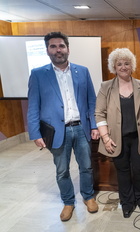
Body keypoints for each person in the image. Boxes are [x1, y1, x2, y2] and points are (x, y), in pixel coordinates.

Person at [27, 32, 99, 222]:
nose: (58, 50)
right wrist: (35, 133)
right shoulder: (38, 74)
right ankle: (68, 202)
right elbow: (33, 105)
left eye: (61, 46)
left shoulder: (82, 71)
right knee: (62, 170)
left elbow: (92, 101)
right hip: (57, 132)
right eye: (53, 46)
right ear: (47, 50)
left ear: (68, 48)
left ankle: (88, 196)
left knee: (86, 167)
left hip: (81, 129)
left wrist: (94, 125)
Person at [94, 48, 140, 218]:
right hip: (115, 139)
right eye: (119, 64)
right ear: (114, 67)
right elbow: (99, 113)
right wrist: (105, 138)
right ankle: (127, 203)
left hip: (139, 137)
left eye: (126, 63)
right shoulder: (105, 87)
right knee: (122, 172)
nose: (123, 66)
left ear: (132, 65)